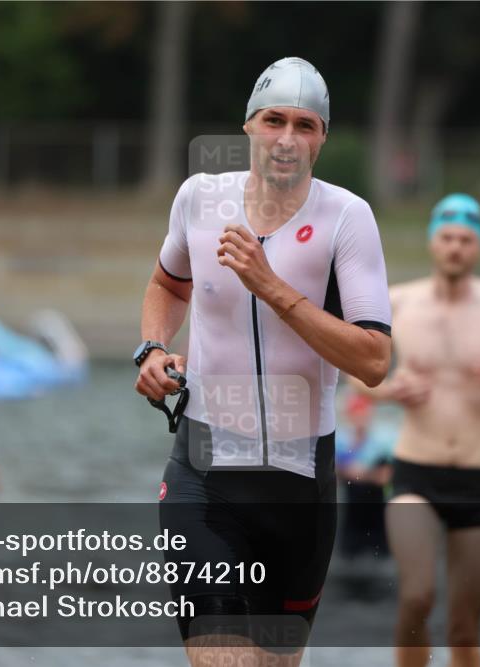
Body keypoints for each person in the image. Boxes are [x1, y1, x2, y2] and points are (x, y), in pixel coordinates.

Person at [135, 56, 392, 666]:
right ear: (248, 125)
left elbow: (375, 360)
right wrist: (150, 350)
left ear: (322, 138)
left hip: (302, 489)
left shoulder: (347, 219)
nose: (287, 139)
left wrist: (270, 284)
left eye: (305, 125)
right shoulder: (199, 199)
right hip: (204, 475)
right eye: (274, 120)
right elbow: (168, 286)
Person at [352, 193, 480, 667]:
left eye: (466, 239)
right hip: (415, 472)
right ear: (432, 242)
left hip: (476, 475)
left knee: (465, 628)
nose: (456, 247)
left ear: (479, 246)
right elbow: (358, 378)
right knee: (418, 596)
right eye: (447, 238)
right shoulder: (399, 300)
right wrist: (391, 389)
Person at [336, 390, 396, 561]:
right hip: (353, 502)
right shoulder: (342, 438)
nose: (360, 419)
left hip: (377, 501)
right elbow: (337, 470)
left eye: (363, 414)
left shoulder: (383, 439)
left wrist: (361, 474)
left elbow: (386, 475)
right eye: (356, 414)